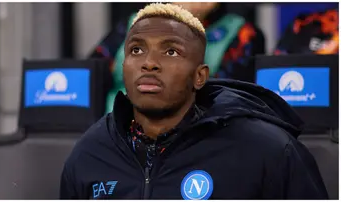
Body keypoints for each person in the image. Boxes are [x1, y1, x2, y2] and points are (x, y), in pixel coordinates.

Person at [60, 3, 328, 199]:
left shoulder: (269, 152)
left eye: (171, 51)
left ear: (201, 77)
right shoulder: (90, 152)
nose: (149, 63)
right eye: (137, 50)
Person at [89, 2, 265, 114]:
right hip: (116, 133)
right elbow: (88, 75)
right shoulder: (133, 24)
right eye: (136, 50)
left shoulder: (242, 34)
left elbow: (229, 99)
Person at [274, 7, 338, 55]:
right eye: (331, 18)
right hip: (299, 64)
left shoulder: (336, 36)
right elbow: (278, 52)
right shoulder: (302, 24)